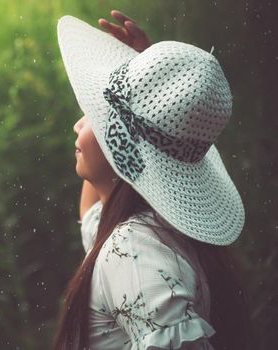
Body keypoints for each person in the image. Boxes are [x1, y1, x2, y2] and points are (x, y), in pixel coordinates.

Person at [53, 10, 250, 350]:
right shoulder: (146, 227)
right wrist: (153, 82)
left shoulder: (132, 249)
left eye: (96, 117)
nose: (79, 124)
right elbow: (93, 212)